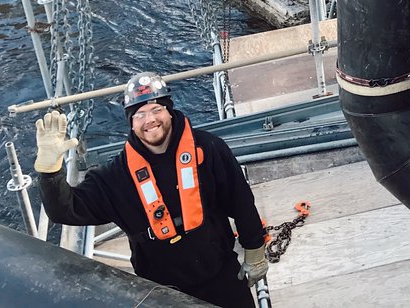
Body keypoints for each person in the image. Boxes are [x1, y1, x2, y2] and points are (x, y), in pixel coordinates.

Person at [34, 72, 268, 307]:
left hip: (220, 274)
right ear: (131, 122)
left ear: (169, 111)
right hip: (161, 293)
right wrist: (50, 171)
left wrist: (255, 250)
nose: (150, 120)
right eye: (140, 115)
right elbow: (64, 210)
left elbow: (241, 202)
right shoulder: (116, 176)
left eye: (157, 110)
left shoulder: (208, 149)